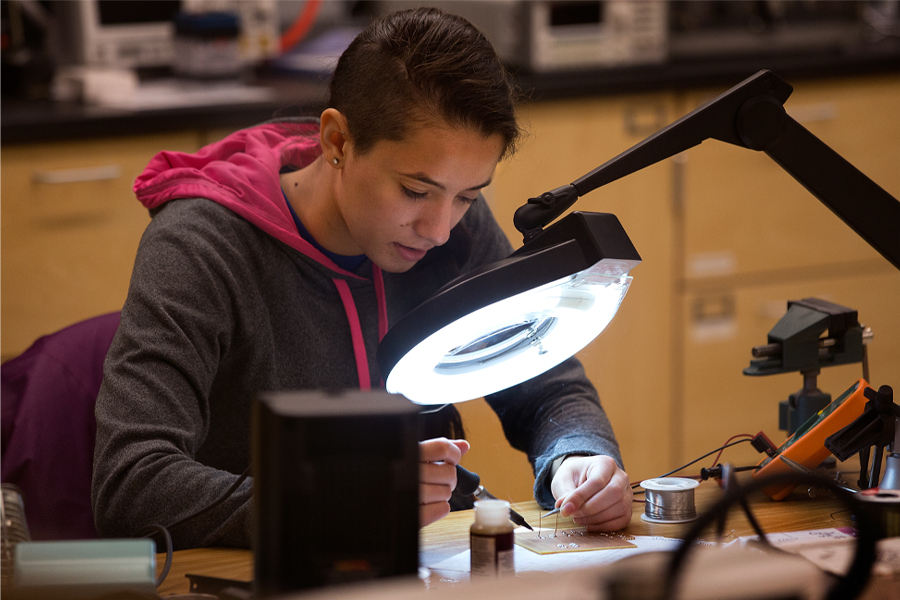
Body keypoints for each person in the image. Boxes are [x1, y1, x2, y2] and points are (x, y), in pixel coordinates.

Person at [92, 7, 631, 550]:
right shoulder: (202, 248)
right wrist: (336, 499)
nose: (440, 230)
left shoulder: (457, 232)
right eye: (416, 191)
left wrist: (578, 458)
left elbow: (545, 385)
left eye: (467, 196)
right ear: (338, 142)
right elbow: (131, 484)